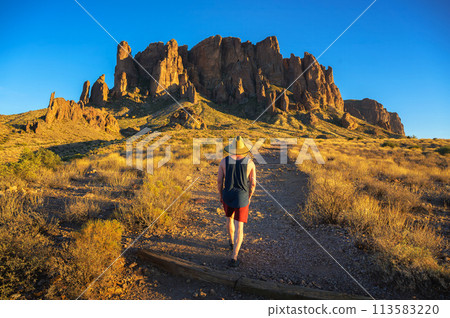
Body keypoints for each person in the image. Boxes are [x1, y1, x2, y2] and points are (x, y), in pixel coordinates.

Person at [217, 136, 256, 267]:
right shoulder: (250, 163)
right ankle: (234, 256)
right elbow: (253, 183)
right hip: (242, 197)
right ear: (243, 149)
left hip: (227, 195)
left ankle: (231, 242)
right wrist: (249, 196)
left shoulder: (224, 161)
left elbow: (219, 181)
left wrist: (221, 195)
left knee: (229, 219)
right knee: (240, 227)